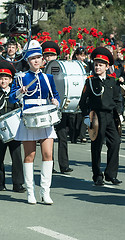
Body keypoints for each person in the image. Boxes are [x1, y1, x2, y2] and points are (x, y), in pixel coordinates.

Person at [9, 40, 61, 204]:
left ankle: (45, 192)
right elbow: (11, 97)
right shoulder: (21, 77)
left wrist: (55, 101)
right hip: (29, 118)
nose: (36, 60)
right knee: (30, 155)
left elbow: (56, 95)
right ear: (27, 60)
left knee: (48, 154)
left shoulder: (48, 77)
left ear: (43, 59)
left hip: (45, 117)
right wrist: (19, 92)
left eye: (39, 57)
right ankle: (30, 192)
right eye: (33, 58)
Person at [79, 47, 122, 186]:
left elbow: (117, 99)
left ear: (107, 66)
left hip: (110, 116)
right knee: (97, 146)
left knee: (115, 143)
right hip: (96, 116)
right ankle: (97, 175)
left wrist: (120, 113)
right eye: (96, 64)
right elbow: (83, 102)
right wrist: (86, 116)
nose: (97, 67)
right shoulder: (90, 81)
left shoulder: (112, 81)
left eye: (101, 65)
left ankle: (111, 174)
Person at [41, 41, 74, 174]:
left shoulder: (60, 70)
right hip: (45, 108)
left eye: (52, 56)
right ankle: (50, 164)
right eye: (46, 56)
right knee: (48, 137)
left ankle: (64, 165)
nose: (49, 58)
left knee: (62, 136)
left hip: (58, 107)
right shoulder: (39, 71)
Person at [0, 60, 25, 192]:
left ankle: (18, 184)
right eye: (1, 79)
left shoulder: (15, 94)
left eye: (6, 78)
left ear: (10, 80)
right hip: (0, 131)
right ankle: (0, 183)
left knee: (16, 157)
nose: (3, 81)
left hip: (14, 129)